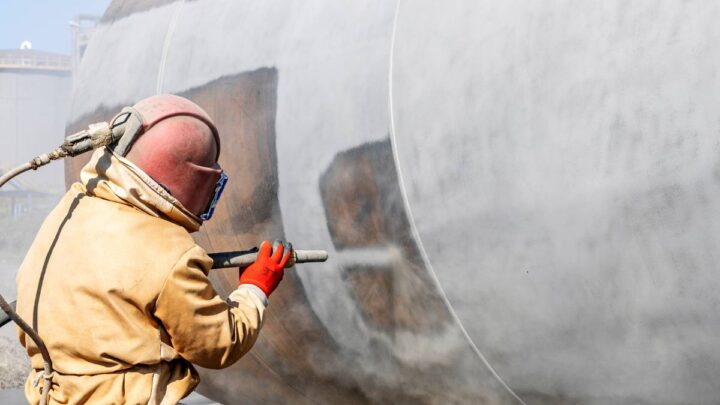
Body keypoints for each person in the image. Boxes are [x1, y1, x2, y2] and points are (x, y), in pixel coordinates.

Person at [15, 94, 289, 404]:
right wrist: (254, 288)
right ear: (194, 181)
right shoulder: (169, 250)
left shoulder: (71, 209)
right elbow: (217, 344)